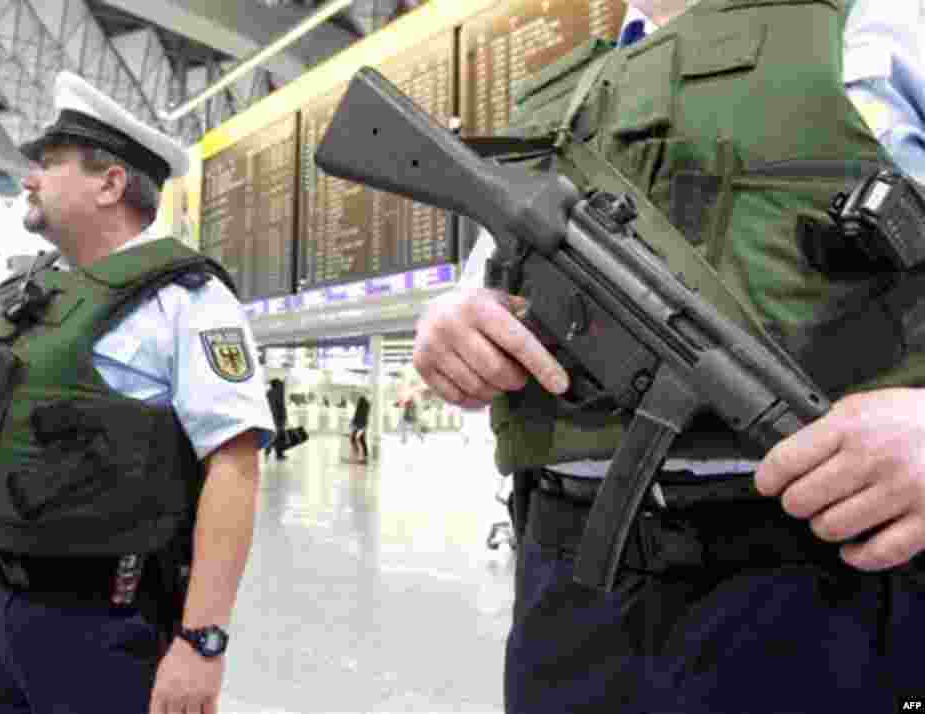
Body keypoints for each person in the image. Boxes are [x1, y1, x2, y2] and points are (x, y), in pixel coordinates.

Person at [412, 2, 925, 712]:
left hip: (819, 582)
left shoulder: (885, 21)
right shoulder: (570, 91)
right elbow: (491, 285)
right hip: (569, 587)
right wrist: (449, 324)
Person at [0, 71, 275, 714]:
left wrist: (203, 641)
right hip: (7, 605)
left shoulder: (189, 301)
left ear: (111, 183)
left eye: (50, 164)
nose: (29, 177)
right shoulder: (31, 301)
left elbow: (235, 464)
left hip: (113, 619)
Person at [265, 377, 289, 460]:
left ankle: (268, 450)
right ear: (277, 385)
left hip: (272, 418)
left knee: (275, 436)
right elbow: (281, 406)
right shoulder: (278, 393)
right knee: (279, 437)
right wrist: (284, 418)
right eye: (280, 384)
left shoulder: (268, 393)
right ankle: (278, 454)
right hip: (278, 419)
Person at [349, 393, 371, 463]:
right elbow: (361, 417)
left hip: (359, 425)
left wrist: (352, 424)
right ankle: (363, 456)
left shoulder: (361, 406)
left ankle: (357, 454)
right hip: (363, 425)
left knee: (354, 438)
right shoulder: (367, 406)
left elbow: (357, 416)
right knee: (361, 440)